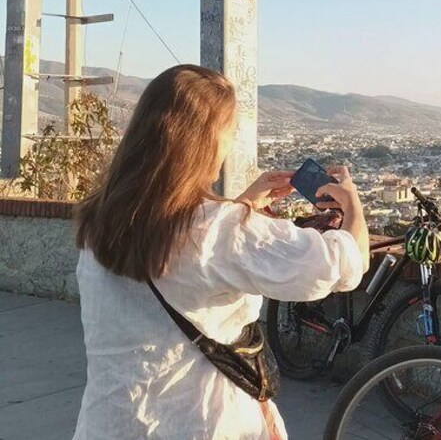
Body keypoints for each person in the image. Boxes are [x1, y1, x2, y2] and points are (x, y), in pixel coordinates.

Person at [72, 65, 369, 439]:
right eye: (228, 134)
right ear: (204, 142)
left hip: (111, 421)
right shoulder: (219, 230)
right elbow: (345, 264)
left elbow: (183, 252)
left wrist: (241, 205)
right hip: (197, 423)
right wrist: (352, 204)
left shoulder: (100, 220)